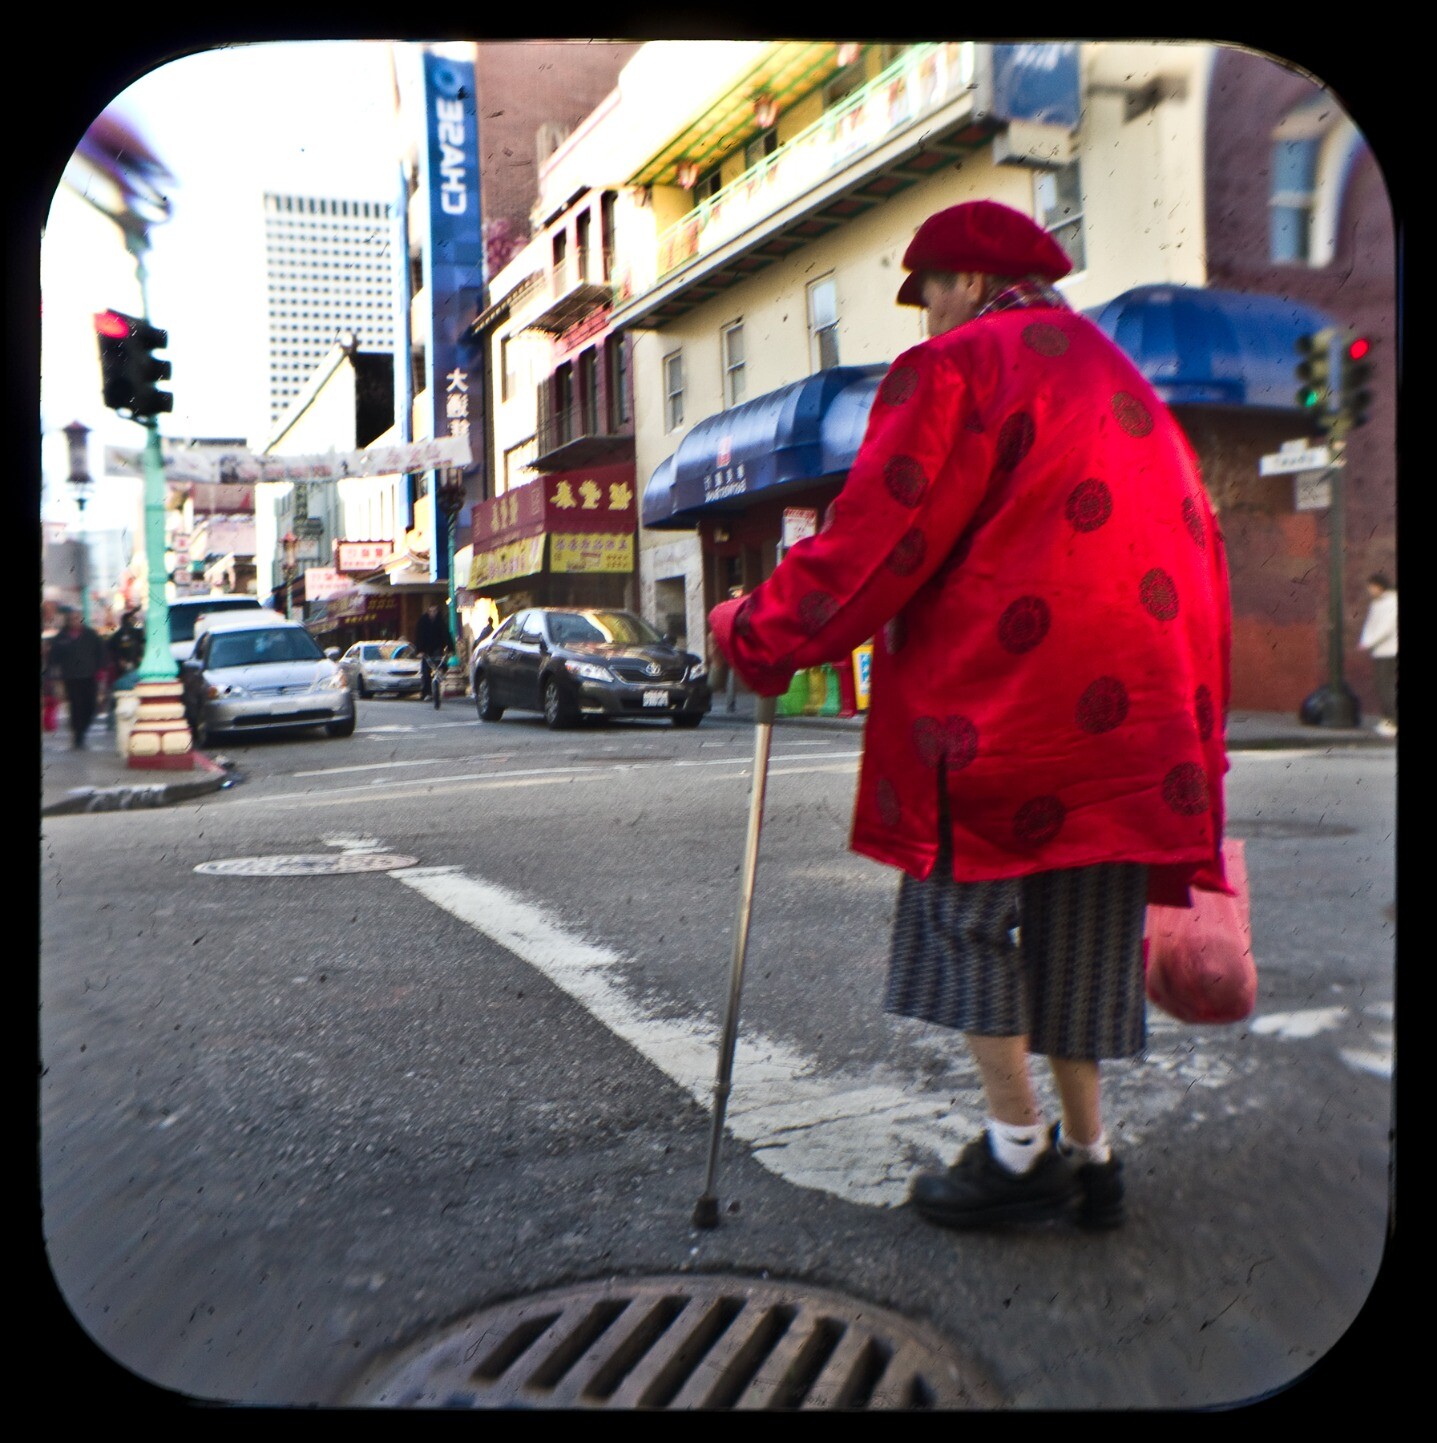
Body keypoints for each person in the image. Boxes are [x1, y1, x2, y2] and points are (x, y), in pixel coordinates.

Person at [708, 199, 1232, 1232]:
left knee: (961, 922)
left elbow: (878, 541)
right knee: (1084, 935)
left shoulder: (958, 368)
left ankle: (1017, 1149)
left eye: (927, 292)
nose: (922, 317)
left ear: (969, 282)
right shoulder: (1120, 374)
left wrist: (753, 627)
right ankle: (1094, 1159)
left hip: (1004, 707)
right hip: (1144, 719)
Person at [46, 607, 108, 749]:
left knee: (90, 705)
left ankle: (83, 728)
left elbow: (101, 653)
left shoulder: (91, 635)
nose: (75, 621)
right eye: (72, 618)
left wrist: (100, 670)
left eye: (77, 618)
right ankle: (78, 735)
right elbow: (54, 658)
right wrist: (56, 677)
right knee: (76, 706)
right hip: (71, 677)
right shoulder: (61, 637)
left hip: (89, 676)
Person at [1359, 572, 1397, 736]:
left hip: (1390, 650)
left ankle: (1392, 721)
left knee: (1386, 686)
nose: (1370, 590)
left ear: (1380, 586)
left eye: (1372, 587)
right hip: (1380, 651)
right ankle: (1388, 720)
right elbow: (1370, 624)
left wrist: (1368, 642)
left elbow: (1386, 627)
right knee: (1382, 686)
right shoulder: (1377, 603)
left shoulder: (1391, 602)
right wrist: (1365, 641)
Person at [412, 600, 453, 700]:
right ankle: (427, 692)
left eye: (435, 611)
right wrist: (419, 651)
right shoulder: (422, 621)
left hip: (437, 648)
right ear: (428, 611)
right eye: (431, 611)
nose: (433, 613)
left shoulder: (440, 621)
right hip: (425, 650)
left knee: (441, 665)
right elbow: (418, 636)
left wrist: (451, 649)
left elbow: (446, 634)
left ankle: (438, 683)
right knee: (426, 672)